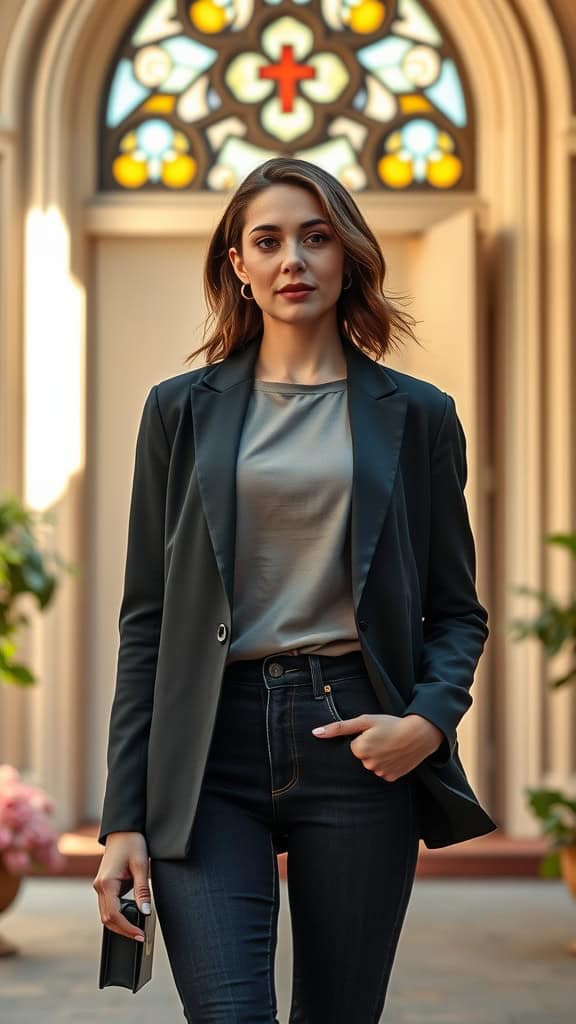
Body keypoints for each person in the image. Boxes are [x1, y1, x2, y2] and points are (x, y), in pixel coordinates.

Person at [93, 156, 497, 1023]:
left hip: (357, 736)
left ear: (347, 254)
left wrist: (427, 720)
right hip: (208, 748)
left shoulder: (417, 414)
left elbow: (457, 609)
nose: (294, 262)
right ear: (237, 264)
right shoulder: (179, 410)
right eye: (268, 241)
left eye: (316, 239)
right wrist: (122, 816)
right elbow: (147, 622)